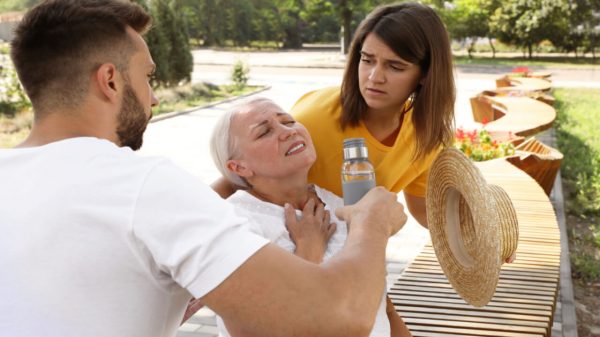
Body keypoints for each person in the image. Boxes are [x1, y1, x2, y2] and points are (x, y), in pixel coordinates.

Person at [0, 1, 408, 337]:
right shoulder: (147, 189)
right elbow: (341, 316)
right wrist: (371, 221)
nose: (154, 99)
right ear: (109, 81)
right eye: (148, 77)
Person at [210, 97, 413, 337]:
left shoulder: (341, 205)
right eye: (264, 132)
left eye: (288, 121)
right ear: (239, 168)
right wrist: (308, 252)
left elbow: (382, 307)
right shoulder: (235, 224)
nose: (287, 131)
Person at [290, 2, 455, 228]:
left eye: (395, 66)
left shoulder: (427, 135)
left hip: (361, 253)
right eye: (367, 60)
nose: (375, 77)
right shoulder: (312, 118)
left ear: (426, 74)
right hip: (290, 250)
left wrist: (482, 239)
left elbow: (424, 211)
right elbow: (241, 183)